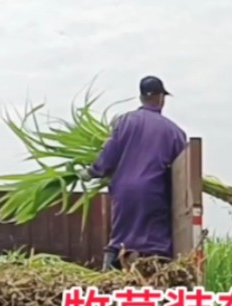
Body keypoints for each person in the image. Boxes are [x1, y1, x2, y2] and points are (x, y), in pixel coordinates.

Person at [76, 75, 187, 271]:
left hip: (124, 192)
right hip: (154, 193)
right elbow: (181, 171)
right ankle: (158, 277)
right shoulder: (174, 132)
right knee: (155, 241)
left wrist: (91, 172)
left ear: (141, 97)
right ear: (161, 98)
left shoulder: (124, 122)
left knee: (121, 236)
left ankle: (108, 277)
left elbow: (108, 155)